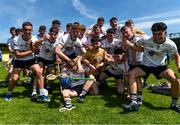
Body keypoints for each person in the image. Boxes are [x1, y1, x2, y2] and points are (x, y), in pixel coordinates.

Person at [122, 22, 180, 113]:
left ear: (165, 32)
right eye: (154, 34)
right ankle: (134, 102)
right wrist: (131, 51)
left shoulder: (170, 44)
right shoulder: (146, 39)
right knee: (131, 74)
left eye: (159, 34)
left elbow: (176, 55)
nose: (156, 37)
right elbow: (136, 47)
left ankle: (174, 104)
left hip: (160, 67)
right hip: (146, 65)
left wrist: (178, 66)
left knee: (176, 81)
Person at [4, 21, 50, 102]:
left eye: (29, 30)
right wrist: (31, 50)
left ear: (32, 30)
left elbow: (37, 52)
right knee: (15, 78)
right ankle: (9, 93)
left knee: (39, 72)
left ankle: (42, 93)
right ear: (22, 29)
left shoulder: (34, 38)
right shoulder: (16, 39)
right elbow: (18, 55)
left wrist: (34, 47)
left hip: (30, 60)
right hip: (19, 61)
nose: (27, 32)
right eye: (25, 30)